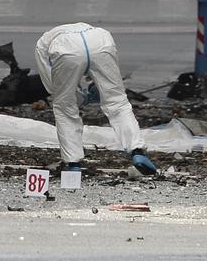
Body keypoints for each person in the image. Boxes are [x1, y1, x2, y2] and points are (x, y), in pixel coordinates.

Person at [34, 22, 157, 175]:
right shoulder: (98, 32)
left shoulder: (42, 45)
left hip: (66, 49)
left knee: (64, 107)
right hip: (100, 42)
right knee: (117, 102)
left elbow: (54, 88)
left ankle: (73, 163)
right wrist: (98, 90)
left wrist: (80, 98)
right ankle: (137, 151)